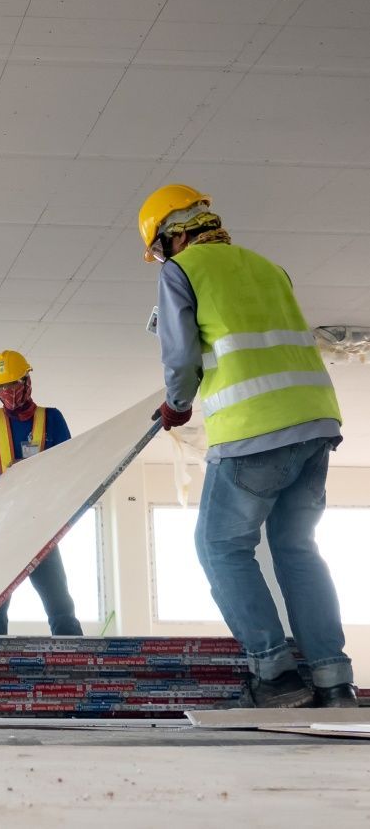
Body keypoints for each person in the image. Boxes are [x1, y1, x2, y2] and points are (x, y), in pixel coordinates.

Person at [139, 183, 356, 708]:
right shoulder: (267, 266)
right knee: (297, 549)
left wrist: (177, 404)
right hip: (314, 423)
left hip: (254, 429)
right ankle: (333, 681)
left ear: (173, 235)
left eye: (159, 248)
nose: (161, 258)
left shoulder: (181, 271)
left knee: (220, 546)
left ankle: (275, 676)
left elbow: (181, 357)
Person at [0, 349, 83, 636]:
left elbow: (71, 466)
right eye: (1, 388)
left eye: (13, 385)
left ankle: (76, 669)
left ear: (27, 381)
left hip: (39, 525)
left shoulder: (52, 419)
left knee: (60, 605)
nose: (8, 393)